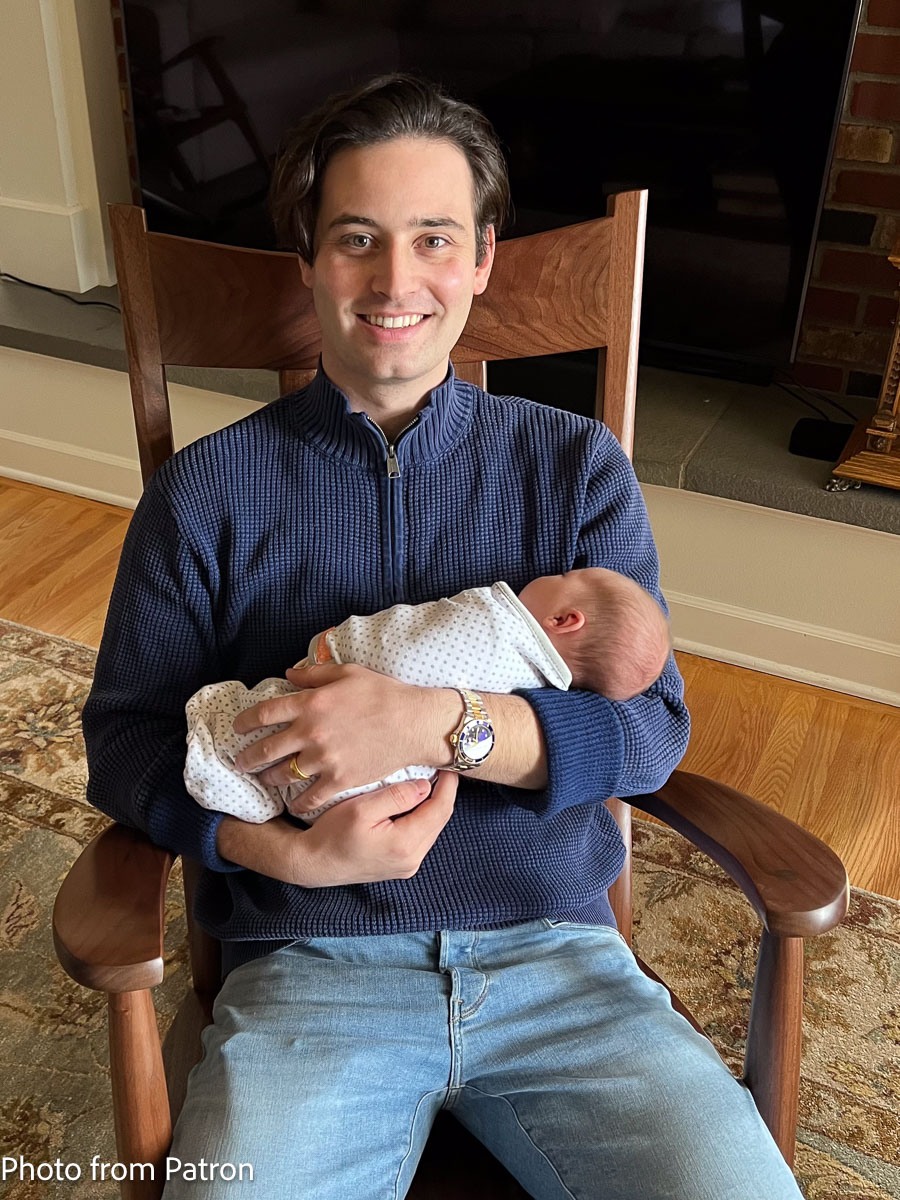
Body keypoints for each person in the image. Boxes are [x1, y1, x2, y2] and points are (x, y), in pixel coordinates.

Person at [82, 74, 803, 1199]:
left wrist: (437, 724)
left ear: (482, 258)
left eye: (434, 238)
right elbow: (124, 740)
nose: (397, 280)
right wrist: (277, 852)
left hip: (560, 969)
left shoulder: (574, 470)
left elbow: (651, 734)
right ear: (311, 259)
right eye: (357, 238)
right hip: (308, 975)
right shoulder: (206, 493)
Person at [184, 568, 673, 824]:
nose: (556, 574)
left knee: (241, 730)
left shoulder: (585, 461)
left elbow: (656, 737)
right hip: (315, 921)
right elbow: (129, 733)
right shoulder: (210, 477)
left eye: (566, 577)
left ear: (565, 620)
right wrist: (293, 859)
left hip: (548, 922)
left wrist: (426, 722)